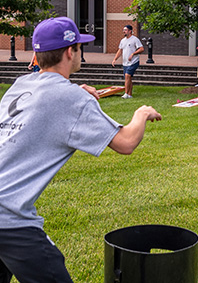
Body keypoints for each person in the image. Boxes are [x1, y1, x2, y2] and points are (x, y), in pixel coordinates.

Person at [0, 17, 162, 283]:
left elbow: (47, 98)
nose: (80, 53)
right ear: (69, 52)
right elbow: (125, 143)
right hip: (9, 217)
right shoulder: (71, 99)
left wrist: (74, 90)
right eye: (79, 48)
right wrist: (141, 113)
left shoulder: (20, 85)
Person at [111, 24, 144, 99]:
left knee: (127, 76)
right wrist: (114, 59)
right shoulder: (123, 40)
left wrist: (133, 54)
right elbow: (120, 50)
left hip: (133, 62)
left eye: (125, 30)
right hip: (125, 63)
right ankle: (129, 95)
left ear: (130, 31)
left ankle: (126, 94)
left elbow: (141, 49)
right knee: (128, 78)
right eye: (123, 30)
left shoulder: (135, 39)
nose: (124, 32)